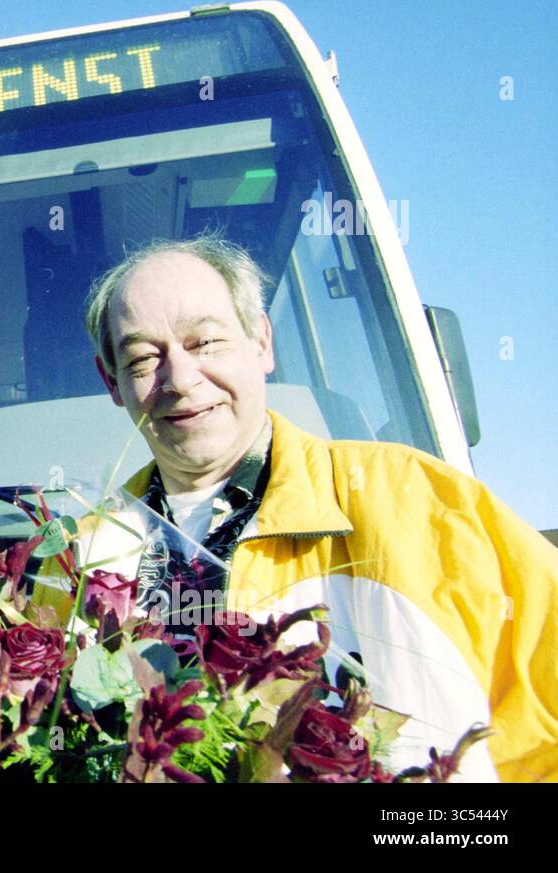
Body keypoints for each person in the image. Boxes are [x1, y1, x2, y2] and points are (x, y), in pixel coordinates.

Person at [41, 235, 557, 782]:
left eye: (205, 342)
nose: (181, 379)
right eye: (144, 358)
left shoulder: (422, 500)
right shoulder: (80, 558)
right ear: (111, 381)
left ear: (261, 341)